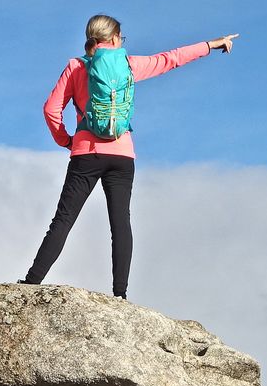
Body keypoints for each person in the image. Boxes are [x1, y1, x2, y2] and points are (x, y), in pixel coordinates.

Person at [20, 15, 238, 297]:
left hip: (86, 153)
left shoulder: (76, 67)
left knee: (63, 220)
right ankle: (120, 294)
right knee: (120, 223)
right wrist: (212, 44)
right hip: (123, 155)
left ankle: (31, 282)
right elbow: (171, 59)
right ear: (114, 39)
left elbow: (51, 109)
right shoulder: (128, 65)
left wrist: (68, 141)